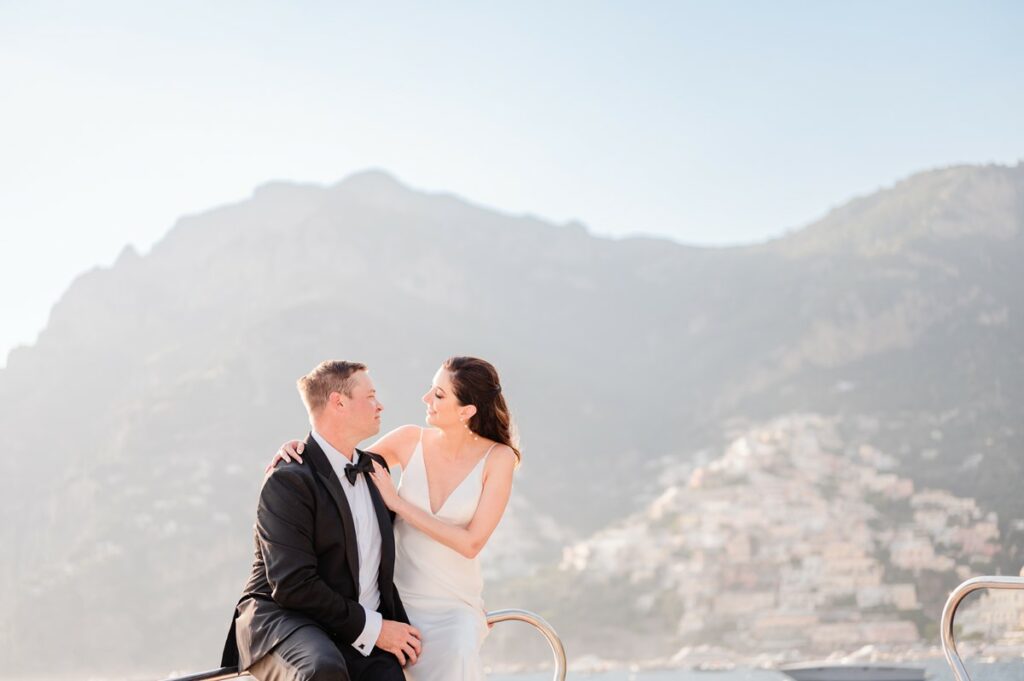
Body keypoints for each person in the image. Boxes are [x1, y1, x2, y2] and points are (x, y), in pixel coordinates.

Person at [270, 356, 519, 681]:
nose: (426, 399)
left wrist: (398, 504)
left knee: (458, 656)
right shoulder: (408, 439)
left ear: (467, 410)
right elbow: (340, 461)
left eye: (439, 395)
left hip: (454, 604)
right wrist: (300, 448)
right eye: (431, 389)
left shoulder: (498, 459)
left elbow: (471, 543)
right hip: (396, 604)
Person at [222, 360, 422, 681]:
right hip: (286, 621)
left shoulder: (375, 471)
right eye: (370, 396)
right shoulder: (288, 479)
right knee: (323, 669)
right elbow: (292, 585)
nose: (380, 404)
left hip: (351, 628)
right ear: (338, 403)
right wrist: (375, 628)